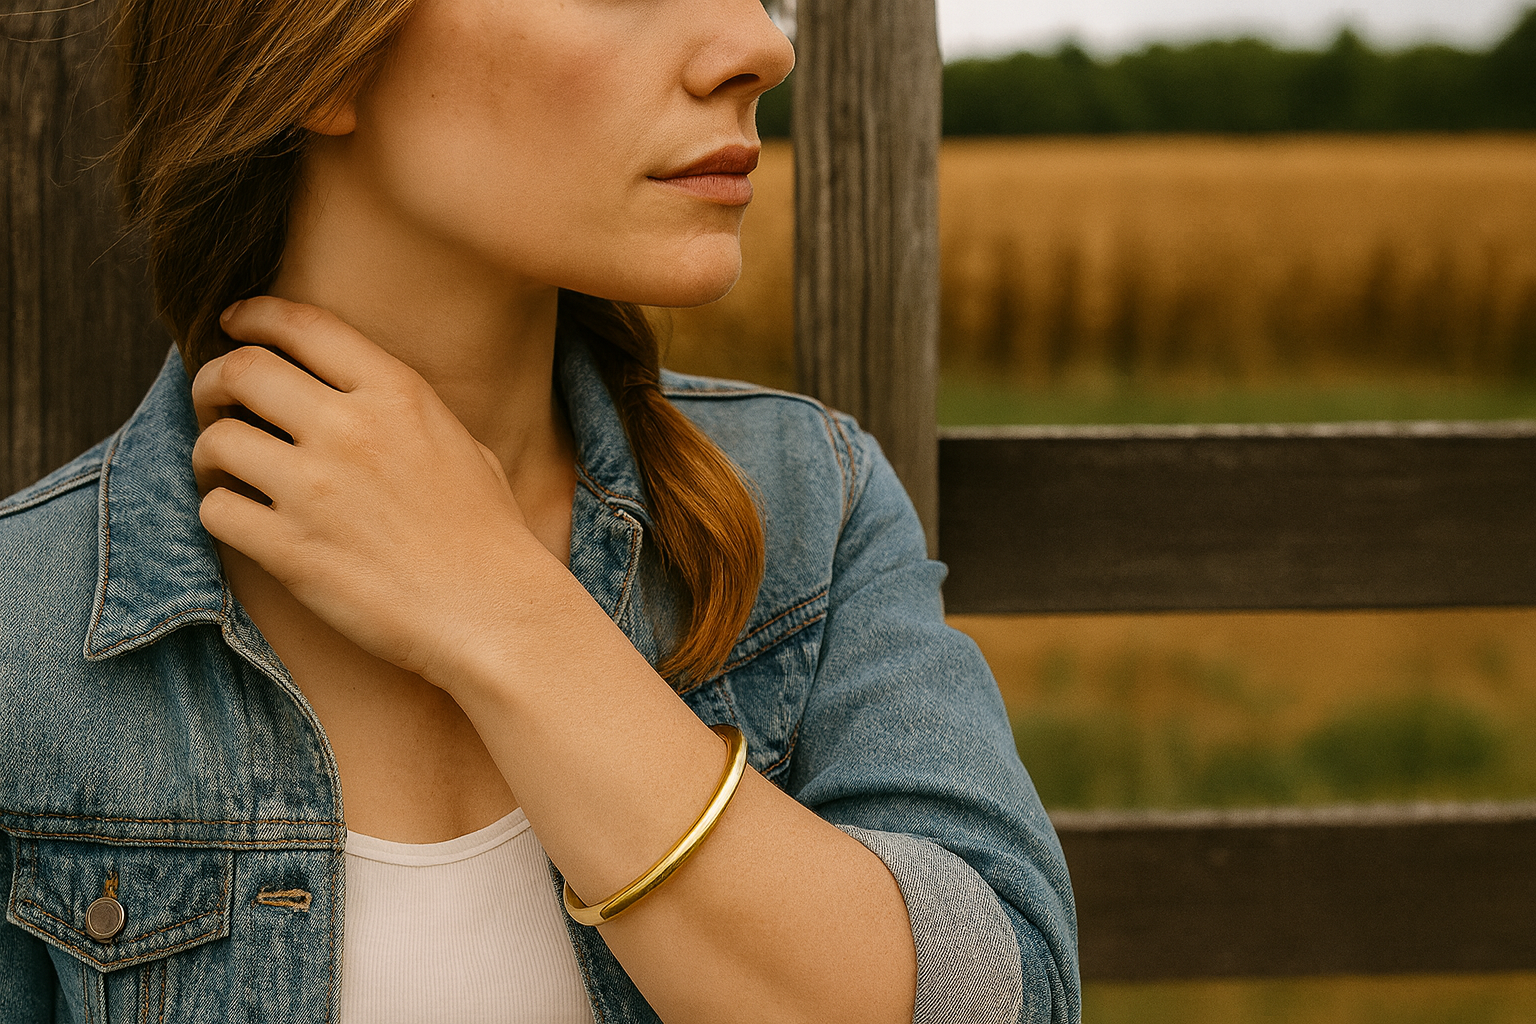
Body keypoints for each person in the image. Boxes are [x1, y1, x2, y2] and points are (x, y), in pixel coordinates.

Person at [0, 0, 1079, 1021]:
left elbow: (1004, 994)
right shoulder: (24, 633)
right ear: (323, 53)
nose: (759, 44)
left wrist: (497, 605)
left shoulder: (807, 505)